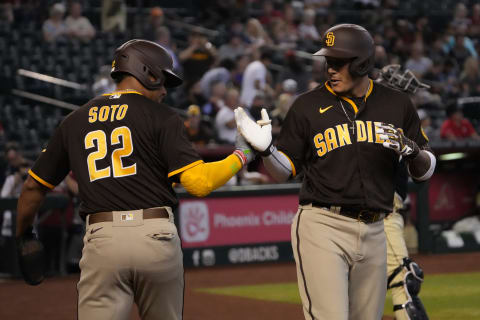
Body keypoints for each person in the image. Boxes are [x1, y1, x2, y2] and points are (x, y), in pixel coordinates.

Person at [15, 40, 255, 319]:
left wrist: (24, 234)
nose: (165, 90)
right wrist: (243, 154)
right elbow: (199, 183)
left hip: (102, 240)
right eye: (162, 80)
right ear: (148, 74)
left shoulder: (74, 120)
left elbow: (33, 187)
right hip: (156, 237)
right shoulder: (163, 118)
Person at [235, 24, 436, 320]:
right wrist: (267, 153)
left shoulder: (396, 104)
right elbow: (284, 171)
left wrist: (414, 153)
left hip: (375, 229)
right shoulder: (306, 106)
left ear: (363, 63)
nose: (330, 69)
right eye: (328, 62)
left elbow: (426, 170)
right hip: (323, 224)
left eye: (339, 63)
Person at [377, 64, 432, 320]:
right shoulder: (392, 115)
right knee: (404, 283)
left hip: (356, 212)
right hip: (383, 211)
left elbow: (425, 162)